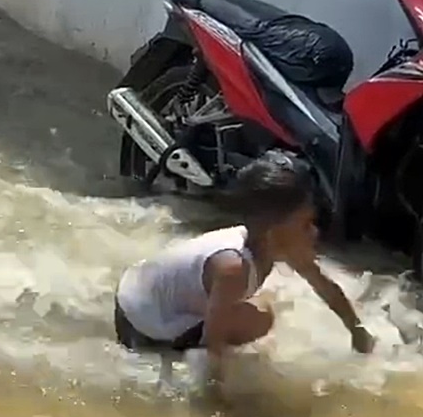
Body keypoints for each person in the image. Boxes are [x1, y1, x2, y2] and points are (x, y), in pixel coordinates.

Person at [114, 151, 375, 390]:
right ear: (274, 234)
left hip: (136, 293)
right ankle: (174, 348)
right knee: (261, 317)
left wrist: (357, 331)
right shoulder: (233, 268)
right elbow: (216, 344)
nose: (315, 231)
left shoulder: (270, 244)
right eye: (306, 224)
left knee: (253, 308)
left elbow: (325, 286)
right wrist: (219, 394)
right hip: (139, 323)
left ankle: (186, 333)